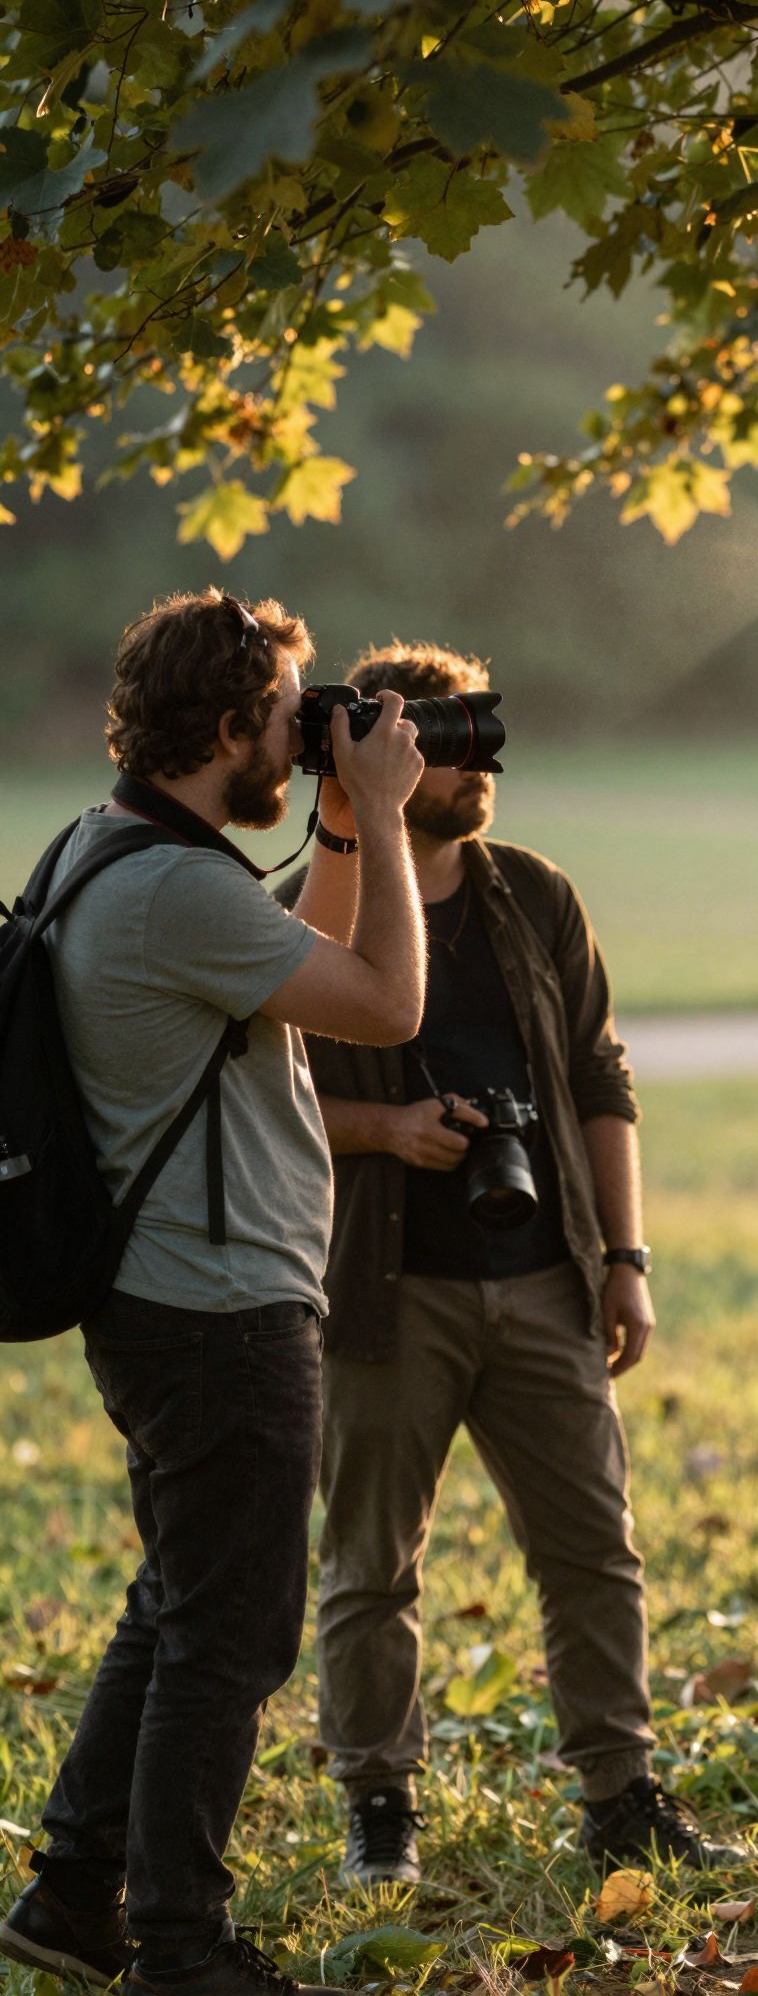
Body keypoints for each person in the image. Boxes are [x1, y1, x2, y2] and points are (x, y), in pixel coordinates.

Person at [0, 591, 426, 1996]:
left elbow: (295, 973)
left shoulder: (107, 848)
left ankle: (72, 1895)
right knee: (233, 1636)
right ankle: (180, 1945)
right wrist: (388, 811)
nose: (307, 742)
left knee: (179, 1603)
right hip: (218, 1313)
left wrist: (352, 822)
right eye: (295, 718)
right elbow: (381, 1003)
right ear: (231, 723)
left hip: (166, 1297)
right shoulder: (173, 888)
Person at [274, 641, 741, 1890]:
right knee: (372, 1563)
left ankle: (622, 1791)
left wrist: (627, 1259)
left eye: (480, 731)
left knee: (594, 1546)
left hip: (547, 1268)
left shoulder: (532, 894)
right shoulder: (310, 910)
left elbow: (599, 1076)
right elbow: (250, 1101)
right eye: (444, 737)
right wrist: (388, 1131)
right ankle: (379, 1799)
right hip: (381, 1285)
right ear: (375, 754)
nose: (475, 759)